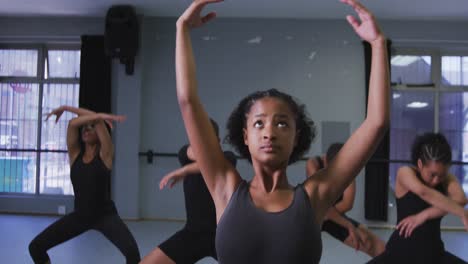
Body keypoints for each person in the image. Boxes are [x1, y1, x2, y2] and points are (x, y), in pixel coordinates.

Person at [175, 0, 390, 262]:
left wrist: (378, 45)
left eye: (282, 123)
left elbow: (376, 123)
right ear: (245, 135)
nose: (269, 132)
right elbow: (188, 101)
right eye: (259, 123)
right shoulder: (225, 186)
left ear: (296, 136)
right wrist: (182, 28)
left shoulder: (315, 196)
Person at [28, 105, 141, 264]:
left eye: (91, 127)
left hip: (105, 216)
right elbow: (73, 124)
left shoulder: (105, 155)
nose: (86, 130)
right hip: (80, 216)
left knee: (132, 254)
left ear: (99, 133)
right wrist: (66, 108)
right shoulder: (75, 155)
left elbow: (98, 121)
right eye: (84, 129)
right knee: (35, 247)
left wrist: (98, 117)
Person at [141, 119, 237, 264]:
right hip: (193, 233)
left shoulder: (228, 158)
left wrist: (184, 170)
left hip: (224, 236)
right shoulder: (184, 154)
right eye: (197, 137)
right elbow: (201, 156)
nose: (201, 141)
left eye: (207, 137)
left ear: (217, 140)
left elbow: (215, 163)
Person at [368, 133, 468, 264]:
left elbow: (461, 200)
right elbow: (423, 192)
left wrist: (424, 215)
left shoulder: (448, 179)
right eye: (432, 174)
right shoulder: (405, 172)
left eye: (441, 175)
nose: (436, 180)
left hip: (434, 254)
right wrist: (462, 212)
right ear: (420, 164)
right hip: (400, 253)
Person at [306, 142, 386, 257]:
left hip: (332, 214)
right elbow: (320, 203)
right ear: (326, 163)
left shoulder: (348, 169)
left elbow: (347, 204)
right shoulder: (313, 164)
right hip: (312, 215)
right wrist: (348, 224)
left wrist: (328, 215)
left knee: (368, 241)